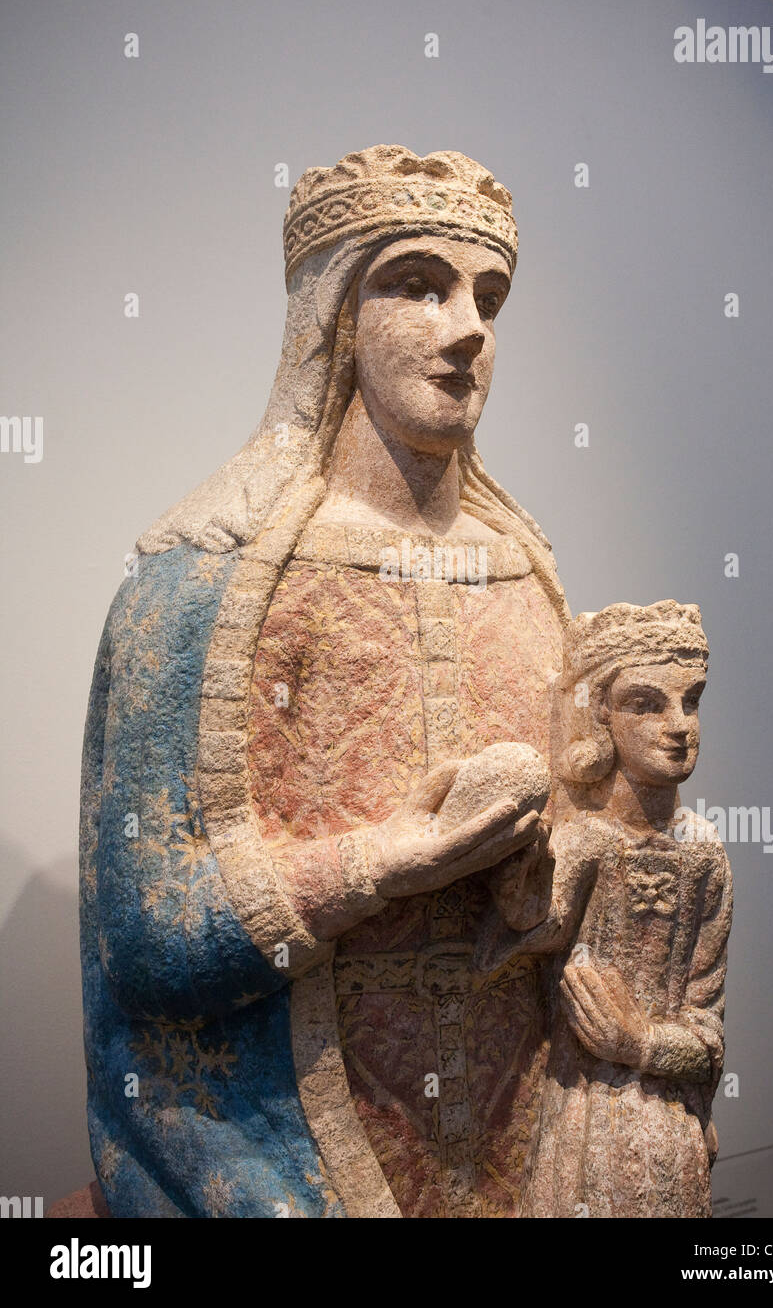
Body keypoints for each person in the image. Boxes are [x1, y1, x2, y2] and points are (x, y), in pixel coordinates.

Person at [78, 145, 571, 1217]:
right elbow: (147, 938)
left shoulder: (528, 574)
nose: (468, 327)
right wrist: (387, 859)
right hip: (283, 1147)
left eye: (487, 295)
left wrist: (564, 869)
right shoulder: (195, 584)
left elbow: (588, 862)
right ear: (332, 315)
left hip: (517, 1140)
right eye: (415, 283)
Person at [479, 601, 733, 1218]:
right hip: (585, 1113)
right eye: (647, 704)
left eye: (691, 701)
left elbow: (708, 1039)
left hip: (669, 1122)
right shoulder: (587, 842)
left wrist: (640, 1042)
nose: (679, 725)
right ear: (603, 718)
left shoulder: (707, 855)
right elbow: (515, 937)